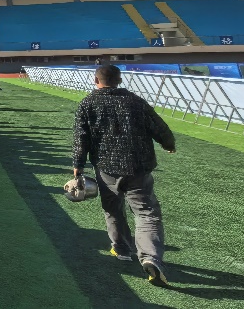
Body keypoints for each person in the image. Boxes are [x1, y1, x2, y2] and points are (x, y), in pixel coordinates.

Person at [72, 65, 176, 286]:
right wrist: (168, 144)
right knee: (146, 213)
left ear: (96, 80)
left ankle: (121, 249)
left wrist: (77, 166)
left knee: (112, 209)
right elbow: (159, 127)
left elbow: (81, 137)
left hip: (106, 168)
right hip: (138, 166)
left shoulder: (87, 103)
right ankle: (150, 257)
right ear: (119, 80)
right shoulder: (135, 101)